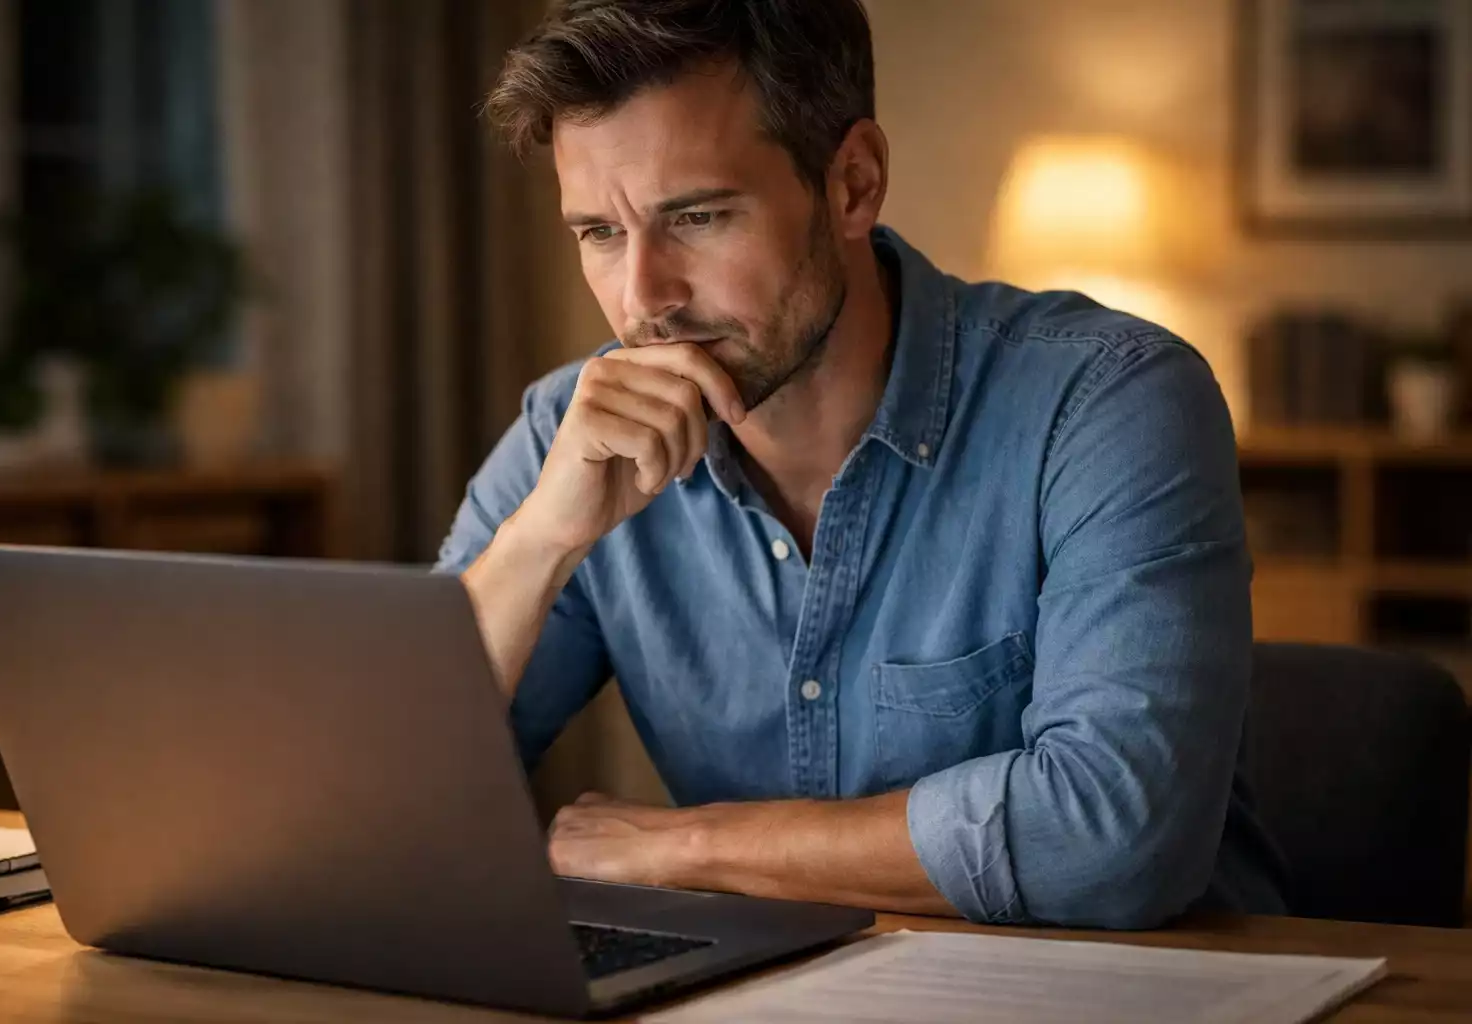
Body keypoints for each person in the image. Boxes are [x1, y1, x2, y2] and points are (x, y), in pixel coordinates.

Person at [438, 0, 1287, 927]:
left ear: (852, 183)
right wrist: (540, 542)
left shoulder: (1107, 402)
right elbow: (378, 807)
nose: (644, 299)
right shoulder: (575, 433)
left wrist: (684, 847)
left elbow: (1117, 842)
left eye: (699, 216)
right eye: (599, 232)